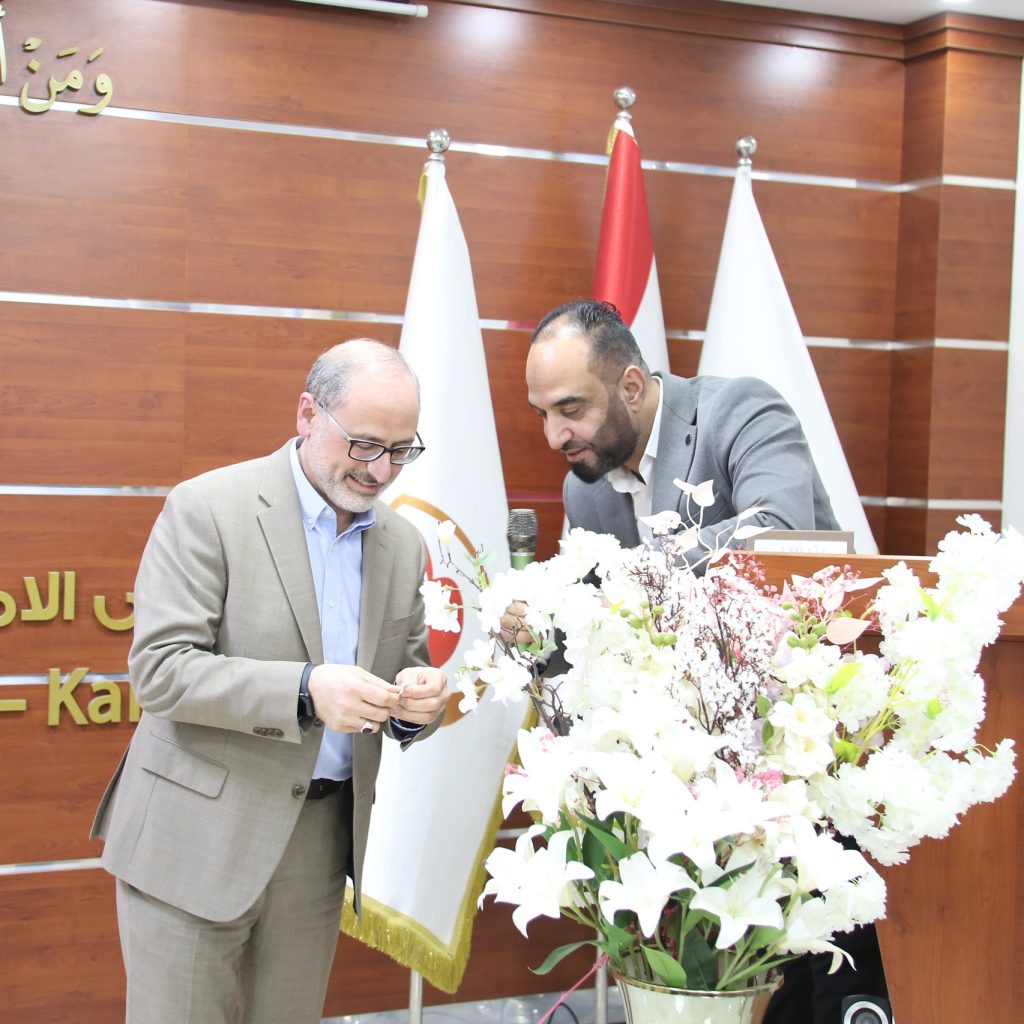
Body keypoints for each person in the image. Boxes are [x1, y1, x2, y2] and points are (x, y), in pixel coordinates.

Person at [523, 299, 887, 1024]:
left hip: (808, 753)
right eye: (542, 413)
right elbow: (593, 630)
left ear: (631, 385)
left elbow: (779, 536)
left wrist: (635, 575)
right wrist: (535, 628)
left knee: (822, 986)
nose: (554, 434)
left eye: (571, 409)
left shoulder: (740, 411)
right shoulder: (584, 487)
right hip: (697, 777)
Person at [91, 338, 450, 1024]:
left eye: (401, 450)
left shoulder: (402, 543)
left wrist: (416, 704)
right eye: (364, 444)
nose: (380, 470)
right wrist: (306, 691)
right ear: (308, 414)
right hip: (194, 837)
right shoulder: (209, 508)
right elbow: (162, 671)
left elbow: (404, 665)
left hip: (318, 844)